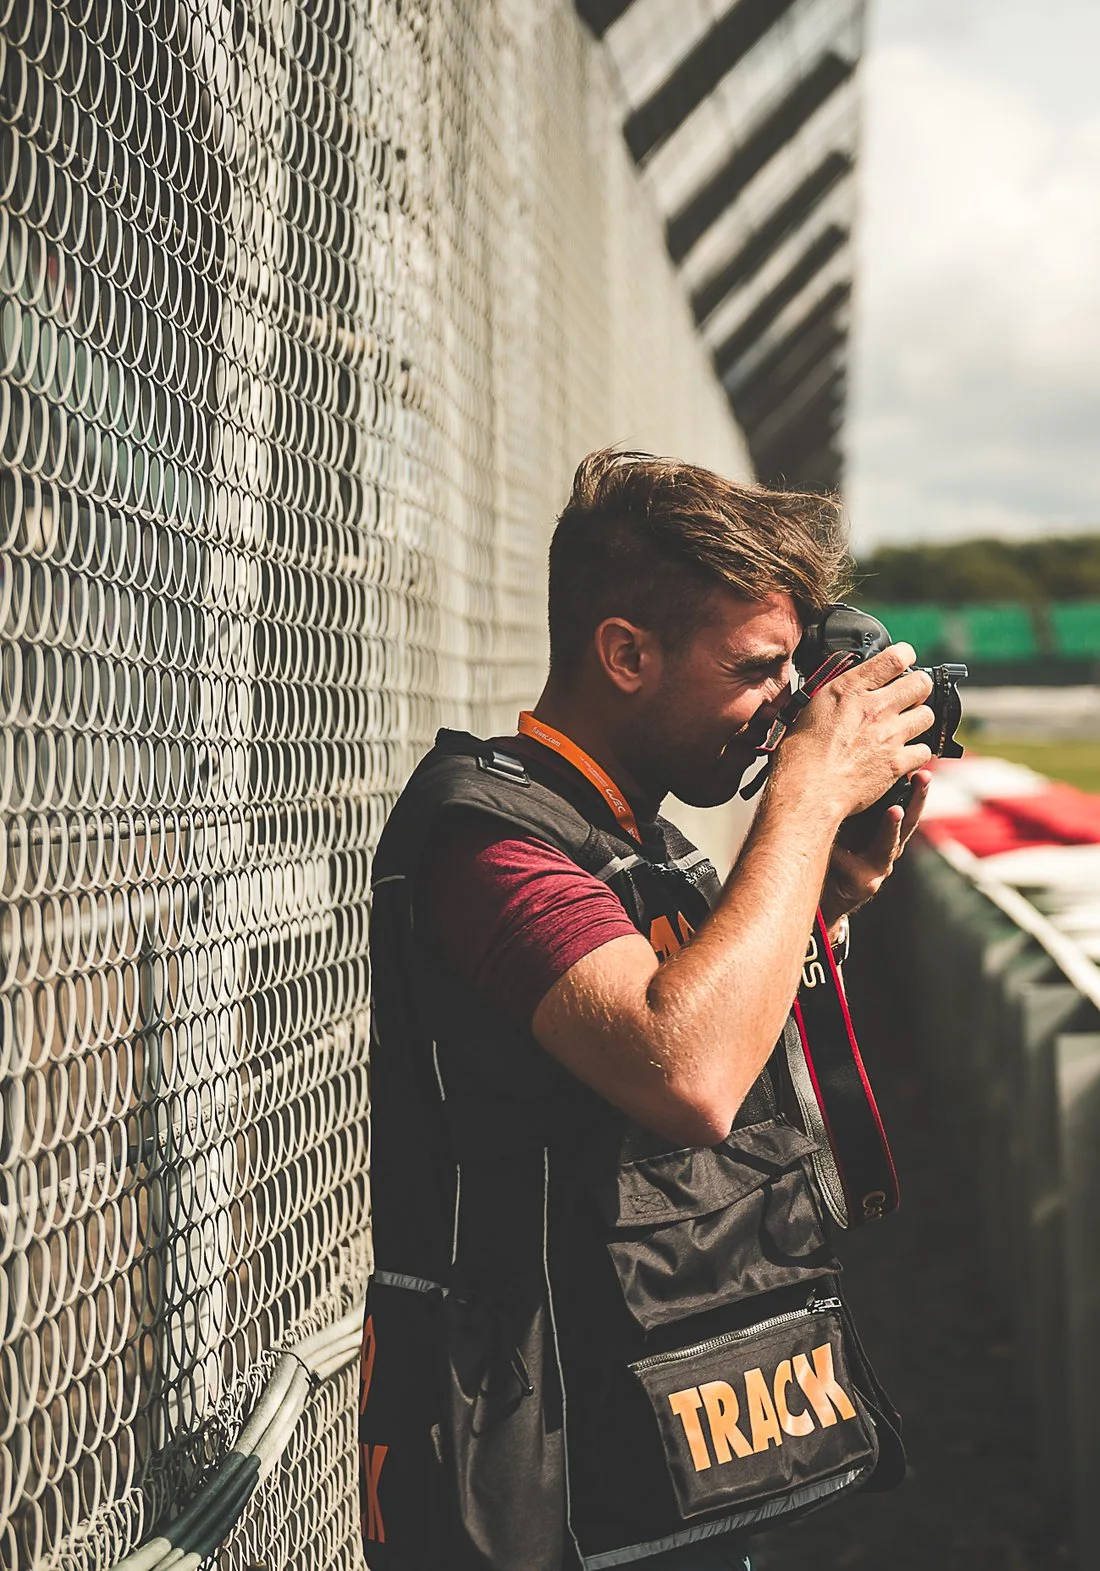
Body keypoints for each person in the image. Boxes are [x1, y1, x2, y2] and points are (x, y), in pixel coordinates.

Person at [358, 450, 933, 1571]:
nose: (787, 709)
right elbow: (689, 1071)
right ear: (626, 652)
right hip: (527, 1458)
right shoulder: (490, 836)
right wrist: (806, 801)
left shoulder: (645, 845)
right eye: (760, 669)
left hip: (642, 1425)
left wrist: (830, 890)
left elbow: (744, 1062)